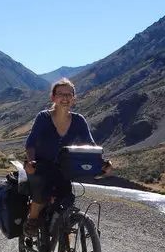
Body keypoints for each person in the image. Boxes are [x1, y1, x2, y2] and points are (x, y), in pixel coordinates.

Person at [23, 77, 112, 237]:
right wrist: (30, 162)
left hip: (64, 168)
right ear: (53, 98)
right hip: (41, 166)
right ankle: (33, 220)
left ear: (74, 98)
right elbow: (31, 143)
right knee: (40, 192)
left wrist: (101, 164)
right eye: (60, 94)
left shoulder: (79, 120)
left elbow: (90, 146)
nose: (65, 98)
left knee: (67, 201)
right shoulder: (43, 117)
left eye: (69, 94)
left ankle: (63, 249)